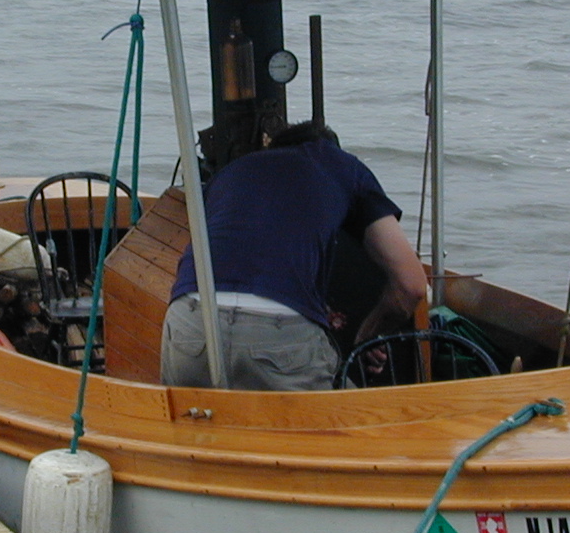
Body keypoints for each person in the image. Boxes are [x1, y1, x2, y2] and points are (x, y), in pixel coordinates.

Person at [159, 121, 427, 391]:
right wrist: (367, 337)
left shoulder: (232, 171)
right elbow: (412, 285)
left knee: (194, 414)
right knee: (350, 413)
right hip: (277, 333)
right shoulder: (344, 167)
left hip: (190, 317)